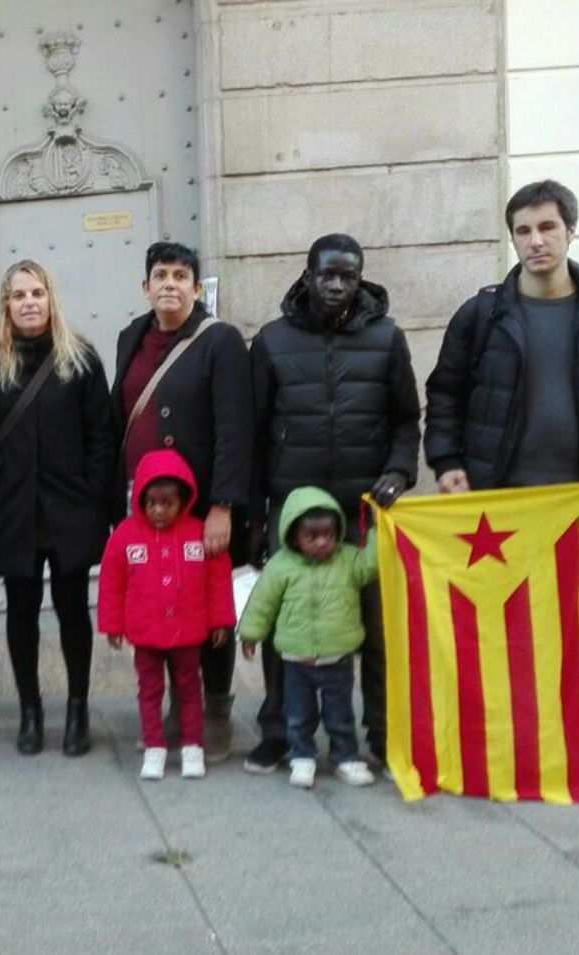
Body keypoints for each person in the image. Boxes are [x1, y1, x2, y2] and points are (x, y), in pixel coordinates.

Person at [242, 234, 420, 775]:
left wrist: (398, 470)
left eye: (348, 275)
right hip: (291, 510)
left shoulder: (388, 339)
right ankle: (278, 733)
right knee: (282, 625)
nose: (337, 284)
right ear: (308, 274)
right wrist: (254, 515)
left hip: (364, 509)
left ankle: (382, 736)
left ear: (361, 277)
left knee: (375, 628)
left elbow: (406, 421)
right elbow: (252, 433)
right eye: (327, 274)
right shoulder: (271, 342)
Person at [425, 180, 579, 502]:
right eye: (523, 231)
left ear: (571, 231)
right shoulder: (479, 316)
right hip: (493, 503)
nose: (535, 241)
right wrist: (446, 461)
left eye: (547, 227)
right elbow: (445, 396)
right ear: (513, 238)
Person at [0, 260, 115, 757]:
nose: (29, 302)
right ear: (5, 305)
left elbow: (101, 435)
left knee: (73, 609)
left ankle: (77, 708)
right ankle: (30, 710)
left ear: (52, 298)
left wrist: (94, 496)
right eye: (18, 294)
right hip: (13, 509)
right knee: (20, 612)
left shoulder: (81, 358)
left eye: (37, 292)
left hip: (69, 509)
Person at [109, 242, 252, 762]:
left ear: (196, 287)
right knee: (159, 605)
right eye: (160, 275)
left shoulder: (222, 341)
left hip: (201, 506)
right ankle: (173, 708)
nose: (169, 284)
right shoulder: (132, 336)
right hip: (148, 507)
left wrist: (224, 506)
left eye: (180, 275)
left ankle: (213, 710)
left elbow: (236, 429)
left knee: (207, 610)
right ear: (145, 286)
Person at [97, 450, 235, 781]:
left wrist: (220, 620)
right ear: (141, 500)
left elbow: (217, 580)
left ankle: (192, 746)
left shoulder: (199, 533)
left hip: (188, 630)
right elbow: (111, 583)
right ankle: (155, 745)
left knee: (189, 688)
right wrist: (113, 625)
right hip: (145, 631)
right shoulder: (125, 537)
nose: (159, 510)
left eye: (167, 503)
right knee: (149, 689)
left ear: (183, 500)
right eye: (152, 503)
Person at [237, 488, 380, 789]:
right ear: (293, 536)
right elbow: (263, 602)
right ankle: (302, 755)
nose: (322, 542)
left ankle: (345, 757)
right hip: (295, 659)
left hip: (337, 657)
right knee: (298, 713)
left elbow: (372, 565)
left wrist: (379, 530)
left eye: (328, 535)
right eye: (312, 536)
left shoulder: (349, 560)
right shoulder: (280, 566)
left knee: (340, 713)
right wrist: (251, 633)